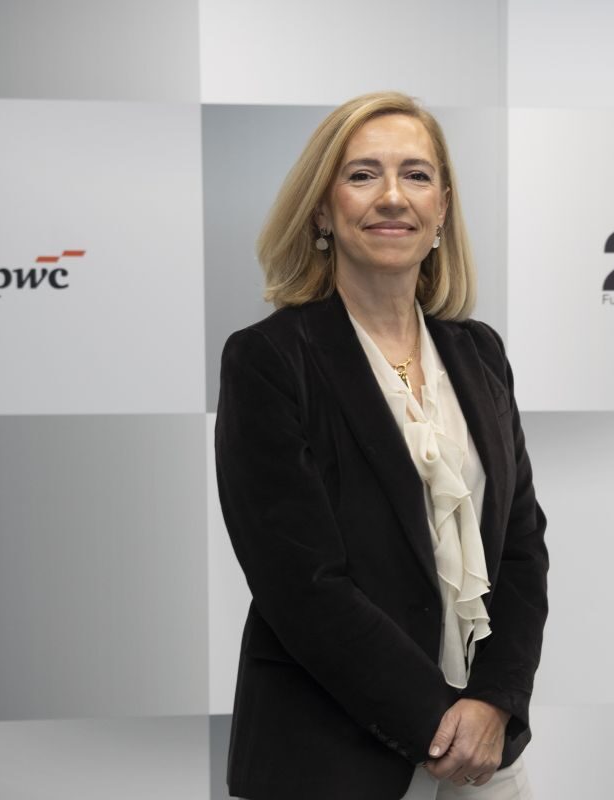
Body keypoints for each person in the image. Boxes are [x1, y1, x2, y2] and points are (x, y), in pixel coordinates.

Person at [215, 91, 549, 800]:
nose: (392, 197)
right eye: (363, 175)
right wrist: (438, 723)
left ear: (442, 209)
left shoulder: (480, 354)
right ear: (321, 209)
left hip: (485, 754)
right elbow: (300, 583)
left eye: (416, 175)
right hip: (331, 757)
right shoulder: (269, 360)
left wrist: (495, 703)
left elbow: (520, 547)